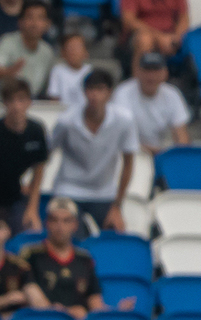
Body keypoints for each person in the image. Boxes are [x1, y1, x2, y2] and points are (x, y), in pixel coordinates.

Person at [50, 69, 139, 236]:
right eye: (90, 89)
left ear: (109, 93)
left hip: (104, 192)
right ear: (84, 92)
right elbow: (45, 153)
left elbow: (128, 163)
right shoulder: (66, 121)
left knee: (115, 237)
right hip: (69, 189)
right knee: (69, 236)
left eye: (100, 89)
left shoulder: (124, 120)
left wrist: (117, 206)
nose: (94, 95)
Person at [18, 198, 136, 319]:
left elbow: (95, 303)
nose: (60, 226)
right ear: (46, 223)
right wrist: (67, 313)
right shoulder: (31, 254)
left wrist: (116, 311)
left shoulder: (84, 259)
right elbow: (30, 292)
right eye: (54, 220)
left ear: (75, 225)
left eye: (66, 221)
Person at [0, 78, 48, 233]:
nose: (16, 106)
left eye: (21, 100)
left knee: (31, 230)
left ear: (29, 102)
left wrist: (32, 209)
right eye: (11, 100)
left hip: (15, 198)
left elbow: (39, 170)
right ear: (4, 103)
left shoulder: (36, 131)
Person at [112, 52, 192, 153]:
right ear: (138, 72)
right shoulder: (123, 93)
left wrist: (180, 155)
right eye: (147, 70)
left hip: (159, 152)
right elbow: (120, 136)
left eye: (156, 70)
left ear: (165, 73)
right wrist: (153, 151)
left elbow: (181, 135)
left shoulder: (172, 94)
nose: (151, 76)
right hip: (129, 152)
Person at [0, 0, 54, 101]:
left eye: (40, 18)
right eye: (30, 17)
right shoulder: (7, 41)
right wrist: (9, 72)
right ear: (20, 22)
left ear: (48, 24)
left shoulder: (48, 52)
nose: (34, 23)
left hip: (28, 105)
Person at [121, 0, 189, 62]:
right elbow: (129, 20)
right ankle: (142, 70)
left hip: (170, 34)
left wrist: (176, 39)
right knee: (145, 40)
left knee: (193, 42)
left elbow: (183, 18)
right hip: (140, 33)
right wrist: (159, 38)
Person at [46, 33, 92, 106]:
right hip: (63, 111)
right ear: (63, 52)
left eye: (77, 47)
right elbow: (54, 97)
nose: (74, 51)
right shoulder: (57, 70)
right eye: (70, 47)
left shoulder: (90, 71)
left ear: (86, 52)